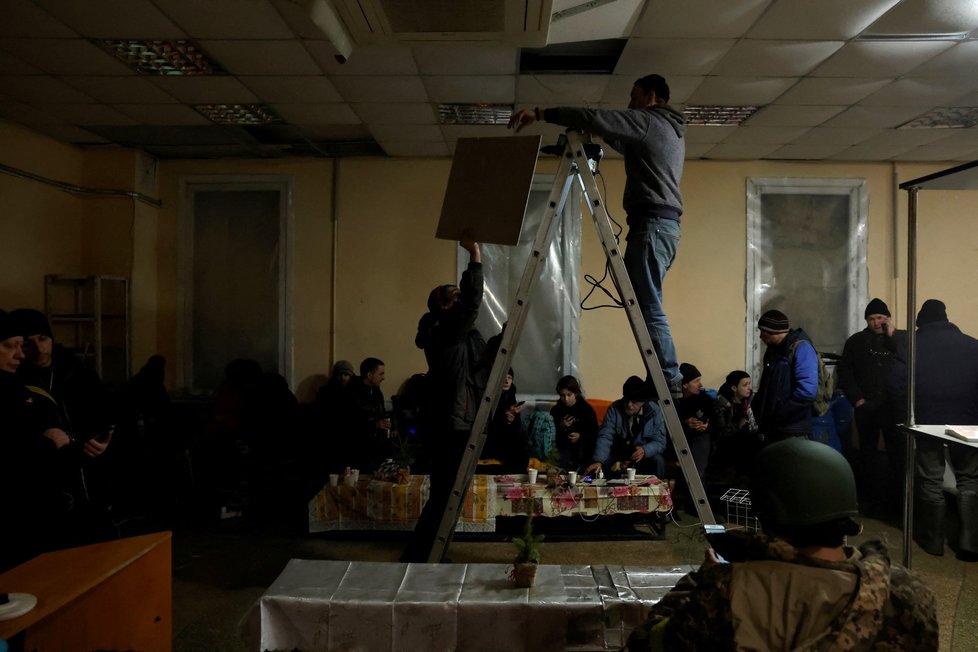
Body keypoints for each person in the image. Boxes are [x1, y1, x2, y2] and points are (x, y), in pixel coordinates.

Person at [625, 437, 939, 651]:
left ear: (767, 511)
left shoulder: (729, 590)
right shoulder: (908, 592)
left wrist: (700, 581)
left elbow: (648, 642)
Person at [509, 74, 686, 396]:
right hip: (661, 227)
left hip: (652, 226)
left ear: (651, 96)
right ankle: (663, 376)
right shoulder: (668, 128)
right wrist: (599, 134)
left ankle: (669, 378)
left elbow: (598, 118)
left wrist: (542, 113)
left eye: (634, 96)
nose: (629, 104)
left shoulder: (648, 120)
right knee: (647, 302)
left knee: (648, 305)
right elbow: (619, 138)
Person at [402, 233, 487, 562]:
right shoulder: (447, 332)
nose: (461, 300)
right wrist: (475, 256)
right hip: (452, 423)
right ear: (445, 308)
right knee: (444, 494)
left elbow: (477, 367)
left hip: (458, 419)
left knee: (448, 493)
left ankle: (430, 551)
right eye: (455, 297)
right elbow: (471, 303)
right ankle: (421, 554)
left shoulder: (455, 333)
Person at [890, 299, 978, 560]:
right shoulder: (973, 345)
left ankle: (933, 541)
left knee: (930, 477)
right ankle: (970, 543)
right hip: (969, 421)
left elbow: (896, 384)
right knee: (970, 478)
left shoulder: (911, 345)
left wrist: (906, 416)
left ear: (920, 323)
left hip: (926, 422)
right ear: (947, 319)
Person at [0, 310, 71, 571]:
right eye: (10, 346)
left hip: (36, 511)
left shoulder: (21, 384)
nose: (20, 354)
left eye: (21, 345)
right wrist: (45, 442)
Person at [837, 298, 907, 519]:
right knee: (867, 456)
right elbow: (845, 372)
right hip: (867, 407)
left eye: (881, 318)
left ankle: (895, 504)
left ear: (888, 319)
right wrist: (857, 399)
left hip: (895, 408)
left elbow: (909, 361)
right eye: (872, 319)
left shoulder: (901, 339)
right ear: (866, 320)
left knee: (898, 456)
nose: (877, 322)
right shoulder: (856, 342)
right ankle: (868, 501)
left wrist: (893, 336)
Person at [752, 309, 818, 441]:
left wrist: (781, 412)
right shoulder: (773, 351)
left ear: (773, 331)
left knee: (790, 462)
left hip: (793, 429)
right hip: (775, 427)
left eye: (763, 332)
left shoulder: (801, 348)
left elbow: (807, 391)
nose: (761, 337)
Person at [586, 375, 667, 479]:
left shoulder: (654, 411)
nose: (629, 405)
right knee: (601, 464)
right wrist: (598, 460)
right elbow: (606, 436)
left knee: (658, 461)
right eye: (627, 400)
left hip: (642, 452)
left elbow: (660, 441)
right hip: (619, 449)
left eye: (634, 401)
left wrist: (645, 450)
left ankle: (657, 492)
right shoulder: (615, 409)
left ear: (642, 401)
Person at [711, 370, 759, 480]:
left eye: (749, 384)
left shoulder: (749, 401)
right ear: (734, 388)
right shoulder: (722, 404)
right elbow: (721, 432)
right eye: (745, 385)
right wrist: (738, 425)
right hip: (727, 446)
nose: (749, 388)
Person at [349, 356, 391, 472]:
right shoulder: (352, 394)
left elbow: (381, 412)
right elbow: (350, 422)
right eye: (381, 374)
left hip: (377, 446)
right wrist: (374, 424)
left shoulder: (376, 391)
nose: (384, 378)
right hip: (360, 450)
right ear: (369, 375)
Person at [550, 374, 599, 472]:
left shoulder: (586, 409)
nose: (566, 399)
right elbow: (550, 433)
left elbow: (594, 432)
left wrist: (580, 436)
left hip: (583, 451)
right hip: (563, 450)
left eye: (569, 395)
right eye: (562, 395)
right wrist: (561, 426)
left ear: (575, 393)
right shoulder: (556, 410)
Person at [482, 368, 527, 473]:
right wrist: (504, 417)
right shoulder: (490, 396)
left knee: (521, 451)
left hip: (507, 439)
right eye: (504, 377)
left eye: (510, 378)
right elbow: (488, 425)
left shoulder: (511, 396)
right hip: (491, 439)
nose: (507, 381)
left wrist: (512, 420)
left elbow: (517, 428)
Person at [676, 363, 714, 483]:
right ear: (685, 385)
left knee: (702, 438)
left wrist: (707, 426)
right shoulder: (674, 402)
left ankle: (697, 480)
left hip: (701, 439)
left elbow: (718, 423)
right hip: (679, 439)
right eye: (696, 381)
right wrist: (686, 423)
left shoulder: (705, 399)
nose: (701, 385)